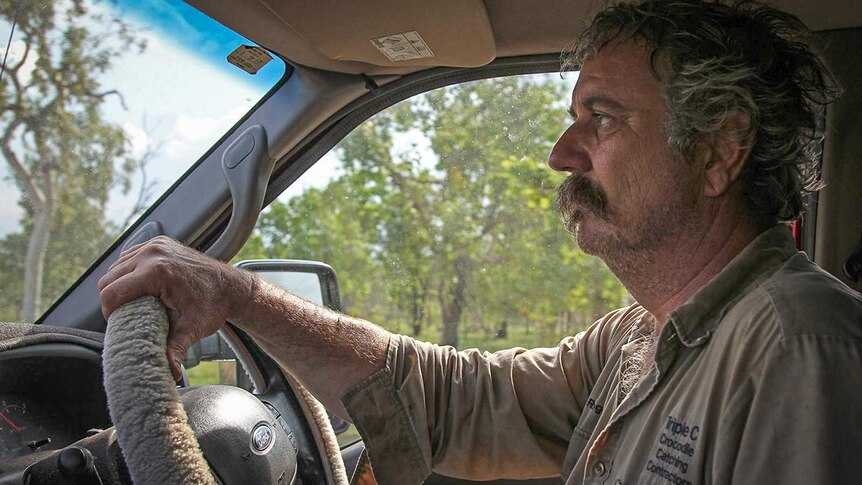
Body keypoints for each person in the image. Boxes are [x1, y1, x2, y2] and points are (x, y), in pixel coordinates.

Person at [99, 0, 862, 483]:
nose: (563, 153)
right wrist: (240, 295)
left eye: (602, 117)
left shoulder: (797, 344)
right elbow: (461, 397)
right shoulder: (642, 333)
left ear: (719, 149)